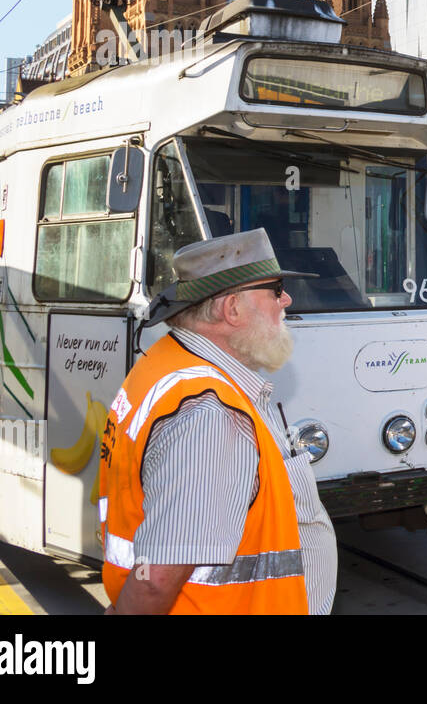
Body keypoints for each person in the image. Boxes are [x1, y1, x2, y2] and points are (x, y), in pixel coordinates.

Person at [99, 229, 337, 614]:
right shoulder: (213, 416)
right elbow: (158, 577)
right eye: (275, 290)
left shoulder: (169, 363)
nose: (286, 300)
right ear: (232, 309)